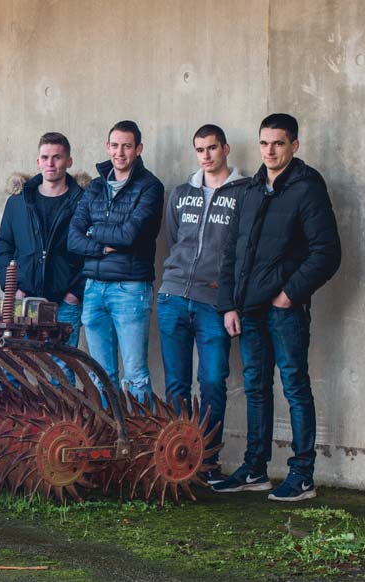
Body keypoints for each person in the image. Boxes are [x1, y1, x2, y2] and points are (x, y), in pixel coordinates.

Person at [214, 114, 341, 501]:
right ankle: (255, 469)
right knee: (255, 387)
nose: (270, 151)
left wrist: (290, 294)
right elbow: (232, 253)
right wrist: (229, 305)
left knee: (295, 387)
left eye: (279, 143)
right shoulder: (251, 190)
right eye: (265, 143)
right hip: (248, 309)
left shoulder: (307, 188)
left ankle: (302, 475)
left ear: (294, 146)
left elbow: (327, 252)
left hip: (284, 309)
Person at [158, 124, 244, 484]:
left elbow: (242, 252)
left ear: (225, 149)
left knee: (212, 381)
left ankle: (206, 461)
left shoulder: (244, 194)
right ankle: (180, 461)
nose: (206, 156)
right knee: (176, 385)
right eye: (199, 149)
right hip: (174, 296)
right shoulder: (181, 193)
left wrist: (231, 302)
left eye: (211, 148)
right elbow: (174, 238)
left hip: (213, 302)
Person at [68, 120, 164, 403]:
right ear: (107, 147)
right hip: (94, 288)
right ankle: (109, 441)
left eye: (126, 146)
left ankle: (138, 443)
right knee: (100, 375)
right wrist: (101, 247)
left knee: (134, 375)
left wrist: (93, 230)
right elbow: (72, 238)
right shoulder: (96, 187)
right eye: (114, 145)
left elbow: (129, 235)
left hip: (130, 290)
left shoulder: (150, 187)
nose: (119, 152)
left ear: (138, 149)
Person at [0, 132, 86, 357]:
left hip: (66, 302)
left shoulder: (83, 201)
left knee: (63, 368)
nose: (50, 163)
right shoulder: (18, 202)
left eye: (57, 157)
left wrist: (75, 292)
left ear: (69, 161)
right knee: (16, 364)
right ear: (38, 162)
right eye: (45, 157)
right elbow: (3, 246)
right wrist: (13, 287)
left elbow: (91, 249)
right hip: (24, 298)